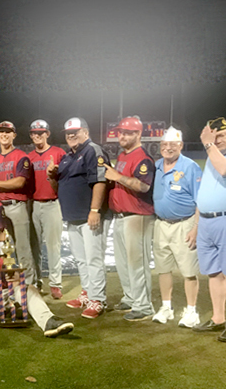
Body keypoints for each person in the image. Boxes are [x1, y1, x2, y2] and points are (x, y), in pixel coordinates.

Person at [49, 117, 111, 319]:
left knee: (94, 259)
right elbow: (60, 187)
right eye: (68, 133)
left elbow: (100, 180)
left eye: (76, 131)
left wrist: (95, 210)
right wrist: (52, 176)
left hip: (88, 216)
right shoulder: (67, 157)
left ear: (86, 131)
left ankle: (98, 299)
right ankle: (87, 292)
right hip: (73, 217)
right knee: (82, 260)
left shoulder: (92, 150)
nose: (71, 136)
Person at [104, 116, 156, 321]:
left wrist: (118, 178)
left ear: (138, 134)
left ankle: (143, 306)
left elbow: (144, 186)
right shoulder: (124, 154)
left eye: (127, 132)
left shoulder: (142, 157)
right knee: (123, 262)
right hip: (121, 215)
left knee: (137, 263)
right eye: (120, 132)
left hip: (137, 215)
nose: (122, 136)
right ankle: (131, 297)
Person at [151, 127, 202, 328]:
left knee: (188, 270)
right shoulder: (156, 166)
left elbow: (201, 200)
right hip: (161, 224)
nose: (168, 148)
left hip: (185, 224)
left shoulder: (191, 167)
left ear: (181, 145)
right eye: (164, 144)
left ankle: (192, 311)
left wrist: (196, 227)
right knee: (163, 269)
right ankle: (166, 308)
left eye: (173, 144)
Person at [0, 121, 40, 287]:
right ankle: (10, 281)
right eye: (1, 132)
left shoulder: (21, 156)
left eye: (8, 132)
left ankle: (31, 283)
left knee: (23, 247)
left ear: (14, 135)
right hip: (0, 207)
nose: (4, 135)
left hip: (17, 205)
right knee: (6, 249)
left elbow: (19, 182)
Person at [193, 117, 226, 342]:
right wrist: (196, 225)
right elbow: (202, 194)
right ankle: (218, 318)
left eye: (223, 135)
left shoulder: (215, 154)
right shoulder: (212, 156)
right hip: (206, 222)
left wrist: (208, 143)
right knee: (213, 273)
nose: (219, 139)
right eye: (216, 135)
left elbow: (224, 170)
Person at [27, 119, 66, 299]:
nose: (38, 136)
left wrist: (56, 173)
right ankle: (36, 281)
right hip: (34, 204)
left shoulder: (58, 153)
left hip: (52, 203)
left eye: (41, 133)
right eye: (35, 133)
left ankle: (55, 283)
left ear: (48, 134)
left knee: (53, 246)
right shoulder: (29, 157)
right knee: (34, 247)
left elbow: (66, 180)